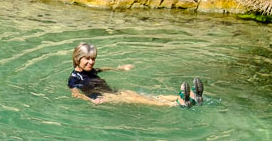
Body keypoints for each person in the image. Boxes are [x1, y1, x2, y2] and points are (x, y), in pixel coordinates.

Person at [67, 42, 203, 107]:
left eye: (93, 58)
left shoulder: (91, 70)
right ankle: (178, 104)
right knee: (143, 101)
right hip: (105, 97)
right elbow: (76, 94)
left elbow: (102, 69)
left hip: (114, 92)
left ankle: (190, 96)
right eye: (87, 59)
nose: (91, 62)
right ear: (77, 59)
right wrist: (91, 100)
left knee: (149, 96)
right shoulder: (74, 78)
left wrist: (119, 68)